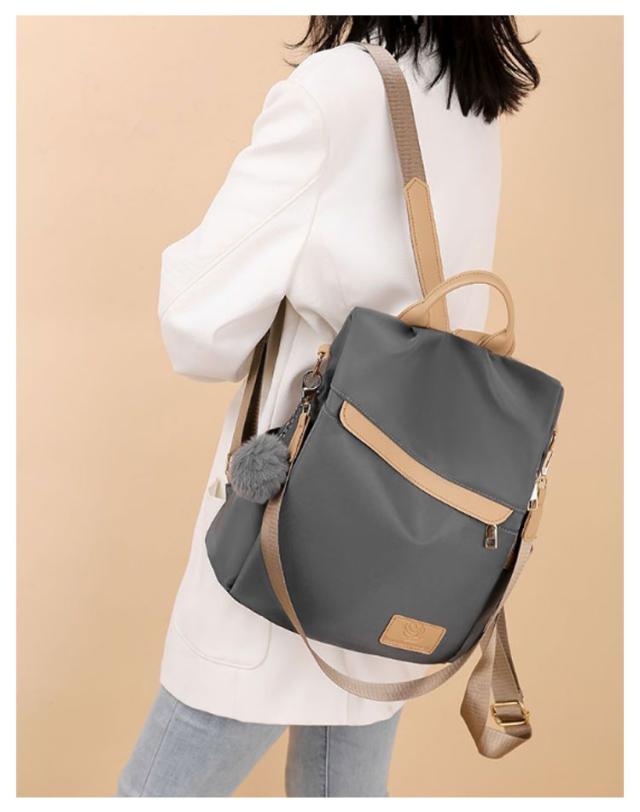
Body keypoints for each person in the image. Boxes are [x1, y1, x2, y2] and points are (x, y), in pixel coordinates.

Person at [117, 15, 539, 797]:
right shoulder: (473, 101)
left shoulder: (334, 93)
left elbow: (196, 326)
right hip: (401, 548)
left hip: (289, 528)